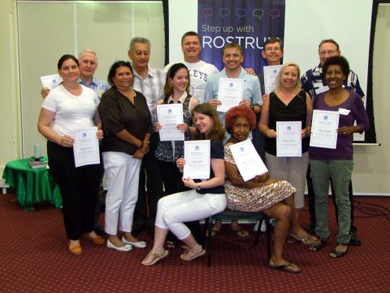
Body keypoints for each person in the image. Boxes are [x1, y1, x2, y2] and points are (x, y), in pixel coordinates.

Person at [224, 105, 313, 273]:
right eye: (237, 126)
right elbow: (235, 180)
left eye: (245, 126)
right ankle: (295, 228)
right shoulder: (228, 148)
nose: (241, 130)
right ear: (230, 127)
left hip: (254, 192)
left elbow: (263, 171)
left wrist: (264, 177)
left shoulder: (247, 145)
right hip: (237, 195)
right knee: (285, 186)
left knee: (284, 211)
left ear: (250, 127)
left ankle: (276, 258)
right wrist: (265, 184)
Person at [141, 103, 227, 266]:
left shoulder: (214, 144)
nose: (198, 122)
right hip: (200, 193)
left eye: (202, 118)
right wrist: (183, 167)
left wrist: (197, 186)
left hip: (213, 198)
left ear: (212, 119)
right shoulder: (202, 139)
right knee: (162, 202)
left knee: (169, 216)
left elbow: (219, 179)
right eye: (195, 119)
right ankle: (158, 249)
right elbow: (198, 173)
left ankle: (196, 248)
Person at [37, 54, 105, 255]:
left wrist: (100, 129)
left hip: (89, 148)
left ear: (78, 68)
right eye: (65, 68)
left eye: (73, 66)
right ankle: (74, 237)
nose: (71, 71)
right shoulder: (54, 95)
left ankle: (88, 229)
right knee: (72, 194)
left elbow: (97, 119)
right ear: (60, 72)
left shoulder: (89, 93)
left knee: (90, 191)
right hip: (63, 151)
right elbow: (42, 125)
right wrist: (59, 139)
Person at [301, 39, 363, 243]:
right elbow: (312, 119)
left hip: (341, 156)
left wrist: (351, 129)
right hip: (318, 155)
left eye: (337, 73)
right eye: (329, 73)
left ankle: (345, 236)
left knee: (342, 198)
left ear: (344, 75)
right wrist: (310, 128)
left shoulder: (353, 97)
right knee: (318, 198)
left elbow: (365, 124)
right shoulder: (318, 97)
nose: (333, 76)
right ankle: (322, 233)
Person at [205, 42, 262, 236]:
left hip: (243, 139)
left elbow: (259, 108)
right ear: (222, 58)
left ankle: (236, 221)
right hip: (219, 138)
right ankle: (218, 220)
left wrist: (250, 106)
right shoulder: (213, 80)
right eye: (227, 55)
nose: (231, 59)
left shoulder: (252, 80)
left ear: (242, 57)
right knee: (219, 179)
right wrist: (210, 105)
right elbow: (206, 112)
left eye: (235, 55)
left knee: (239, 179)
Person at [259, 62, 315, 245]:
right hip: (275, 150)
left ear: (297, 78)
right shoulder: (270, 97)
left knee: (297, 186)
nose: (289, 77)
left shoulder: (304, 96)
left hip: (299, 150)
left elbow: (310, 124)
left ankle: (294, 227)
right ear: (280, 76)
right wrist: (268, 131)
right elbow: (262, 124)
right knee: (279, 188)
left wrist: (307, 131)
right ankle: (282, 226)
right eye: (286, 74)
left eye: (293, 75)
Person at [98, 61, 151, 251]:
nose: (125, 77)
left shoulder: (140, 97)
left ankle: (127, 232)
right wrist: (139, 144)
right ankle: (112, 236)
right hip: (117, 153)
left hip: (137, 155)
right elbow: (114, 127)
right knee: (115, 195)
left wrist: (144, 145)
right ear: (113, 77)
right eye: (120, 74)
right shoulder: (109, 98)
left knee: (131, 196)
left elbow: (148, 123)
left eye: (128, 73)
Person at [155, 63, 199, 247]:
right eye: (179, 77)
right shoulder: (161, 103)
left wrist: (188, 128)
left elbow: (201, 130)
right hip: (165, 156)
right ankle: (173, 237)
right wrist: (157, 128)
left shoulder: (193, 102)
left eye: (185, 78)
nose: (183, 81)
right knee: (171, 195)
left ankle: (192, 236)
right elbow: (155, 129)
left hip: (185, 158)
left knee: (188, 197)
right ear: (171, 80)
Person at [128, 37, 165, 237]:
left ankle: (154, 221)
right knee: (135, 179)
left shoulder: (161, 74)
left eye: (146, 53)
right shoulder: (124, 77)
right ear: (130, 54)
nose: (142, 57)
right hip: (134, 138)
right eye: (138, 52)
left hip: (157, 135)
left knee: (155, 180)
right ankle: (139, 219)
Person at [164, 31, 219, 103]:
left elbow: (217, 95)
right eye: (187, 43)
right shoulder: (170, 67)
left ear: (200, 47)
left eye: (195, 43)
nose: (191, 46)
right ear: (182, 47)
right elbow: (165, 92)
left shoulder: (211, 69)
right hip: (177, 112)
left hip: (202, 112)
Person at [41, 49, 109, 99]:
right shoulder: (64, 85)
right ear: (78, 63)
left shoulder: (104, 85)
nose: (88, 66)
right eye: (85, 62)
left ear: (96, 66)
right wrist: (47, 97)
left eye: (92, 63)